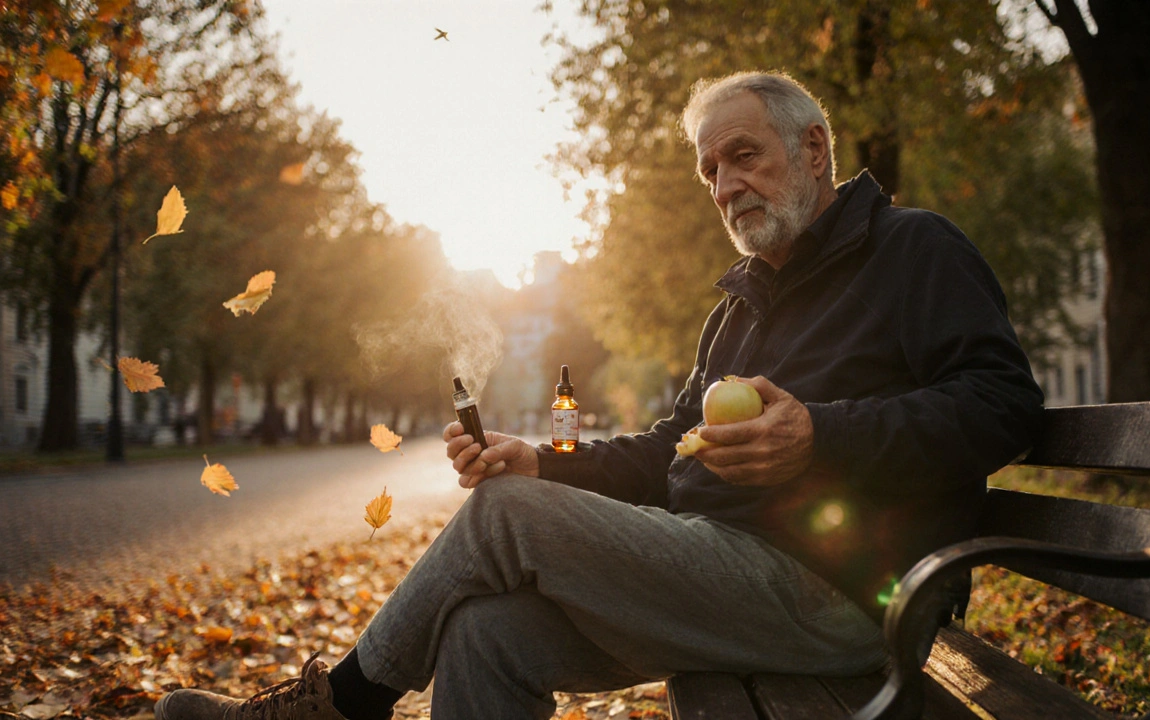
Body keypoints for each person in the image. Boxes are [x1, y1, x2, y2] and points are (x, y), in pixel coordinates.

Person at [156, 70, 1044, 720]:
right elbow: (667, 451)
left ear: (813, 149)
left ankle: (340, 706)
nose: (727, 186)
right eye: (710, 172)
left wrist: (822, 437)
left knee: (507, 512)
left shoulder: (913, 249)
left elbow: (1004, 404)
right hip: (714, 571)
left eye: (745, 156)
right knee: (486, 634)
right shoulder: (740, 309)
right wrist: (542, 456)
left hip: (845, 596)